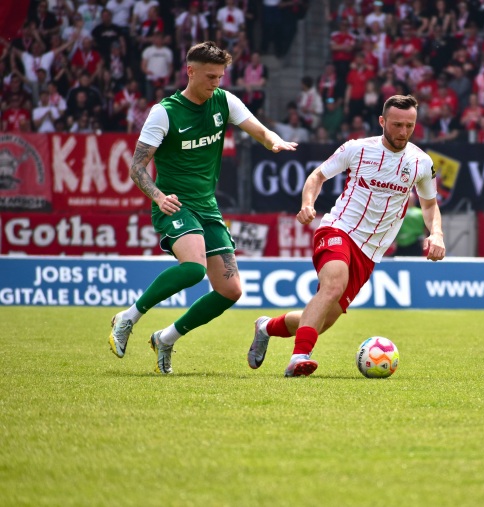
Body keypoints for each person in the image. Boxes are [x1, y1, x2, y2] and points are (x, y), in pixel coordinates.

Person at [108, 41, 298, 374]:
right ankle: (128, 317)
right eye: (210, 76)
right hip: (174, 204)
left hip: (207, 207)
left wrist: (273, 141)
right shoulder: (164, 112)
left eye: (220, 76)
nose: (215, 83)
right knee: (194, 269)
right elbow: (137, 167)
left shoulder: (224, 101)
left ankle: (166, 338)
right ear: (190, 71)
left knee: (231, 290)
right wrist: (157, 196)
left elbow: (258, 129)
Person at [247, 94, 446, 378]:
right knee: (333, 285)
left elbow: (429, 205)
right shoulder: (357, 149)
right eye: (397, 124)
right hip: (339, 228)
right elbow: (317, 176)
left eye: (409, 126)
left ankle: (266, 327)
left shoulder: (421, 163)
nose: (403, 132)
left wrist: (436, 233)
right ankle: (299, 356)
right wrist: (307, 204)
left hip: (370, 251)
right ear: (382, 121)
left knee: (324, 319)